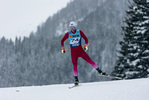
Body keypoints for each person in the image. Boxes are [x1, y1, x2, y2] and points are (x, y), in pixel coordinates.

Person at [61, 21, 106, 86]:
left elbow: (86, 39)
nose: (71, 29)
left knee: (89, 60)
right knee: (74, 65)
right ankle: (76, 80)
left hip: (80, 51)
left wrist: (85, 45)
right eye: (70, 27)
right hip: (73, 53)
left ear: (75, 27)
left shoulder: (79, 32)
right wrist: (62, 48)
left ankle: (100, 71)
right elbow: (62, 41)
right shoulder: (68, 34)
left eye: (73, 27)